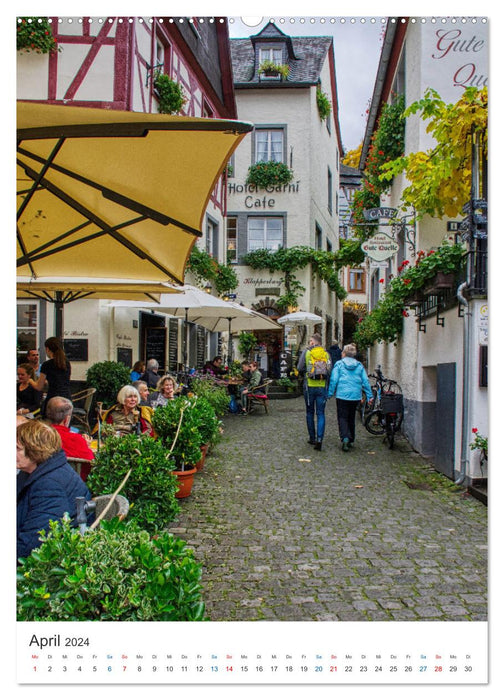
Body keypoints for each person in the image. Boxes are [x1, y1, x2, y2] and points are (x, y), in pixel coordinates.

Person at [17, 420, 92, 560]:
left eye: (17, 448)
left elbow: (31, 545)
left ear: (35, 450)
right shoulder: (35, 471)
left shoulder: (50, 485)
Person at [327, 343, 374, 451]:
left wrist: (330, 393)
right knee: (351, 417)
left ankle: (345, 438)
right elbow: (365, 381)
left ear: (344, 353)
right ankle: (351, 438)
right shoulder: (359, 365)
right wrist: (369, 395)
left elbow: (334, 380)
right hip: (355, 395)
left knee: (342, 417)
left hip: (342, 395)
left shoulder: (339, 364)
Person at [45, 397, 95, 475]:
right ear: (67, 419)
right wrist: (85, 446)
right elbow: (90, 465)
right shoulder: (76, 439)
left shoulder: (39, 435)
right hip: (71, 481)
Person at [28, 337, 72, 414]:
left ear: (47, 349)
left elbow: (39, 387)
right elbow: (60, 380)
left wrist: (30, 380)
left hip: (53, 399)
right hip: (66, 397)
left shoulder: (46, 365)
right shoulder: (66, 363)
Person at [303, 333, 331, 451]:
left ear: (313, 342)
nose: (309, 343)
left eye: (310, 341)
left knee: (310, 412)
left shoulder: (307, 353)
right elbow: (329, 370)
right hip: (322, 385)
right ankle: (320, 439)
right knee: (320, 413)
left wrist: (308, 369)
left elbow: (299, 367)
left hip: (309, 385)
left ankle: (312, 437)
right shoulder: (326, 354)